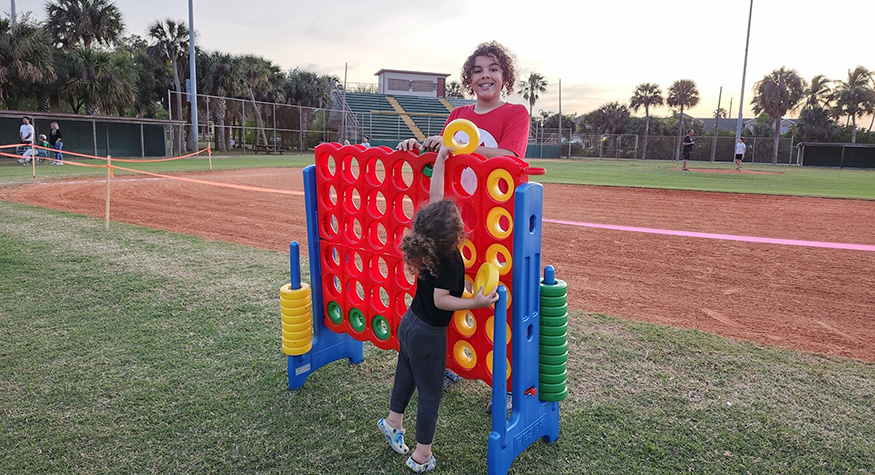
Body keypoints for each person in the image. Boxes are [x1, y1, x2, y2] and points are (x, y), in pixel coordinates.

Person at [397, 40, 529, 400]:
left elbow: (510, 156)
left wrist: (460, 148)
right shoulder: (458, 115)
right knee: (453, 286)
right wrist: (419, 145)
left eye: (493, 69)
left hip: (499, 219)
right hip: (457, 217)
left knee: (501, 291)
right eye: (478, 70)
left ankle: (506, 386)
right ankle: (450, 363)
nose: (485, 75)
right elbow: (443, 153)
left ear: (504, 76)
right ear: (469, 79)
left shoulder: (514, 114)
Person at [378, 146, 498, 473]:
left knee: (406, 374)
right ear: (455, 235)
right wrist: (477, 302)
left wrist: (442, 161)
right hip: (429, 333)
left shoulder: (427, 239)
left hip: (409, 324)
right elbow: (441, 301)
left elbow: (435, 199)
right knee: (430, 393)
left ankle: (392, 421)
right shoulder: (450, 261)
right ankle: (421, 456)